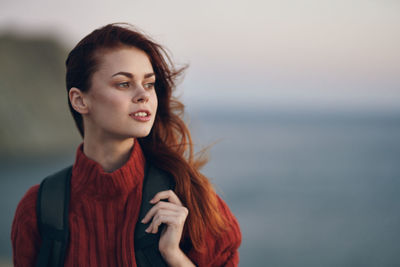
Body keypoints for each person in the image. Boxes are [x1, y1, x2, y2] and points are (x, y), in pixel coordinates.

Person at [11, 23, 241, 266]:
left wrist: (174, 256)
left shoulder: (190, 197)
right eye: (124, 84)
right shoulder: (38, 209)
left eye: (149, 83)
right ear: (80, 100)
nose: (143, 94)